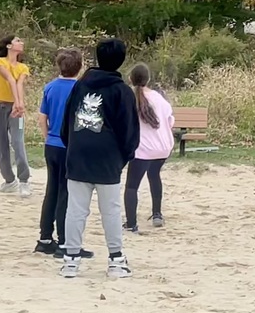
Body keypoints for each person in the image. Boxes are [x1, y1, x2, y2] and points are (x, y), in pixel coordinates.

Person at [60, 38, 140, 279]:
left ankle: (70, 261)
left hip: (78, 154)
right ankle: (116, 260)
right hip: (107, 158)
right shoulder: (121, 91)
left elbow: (66, 123)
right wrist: (124, 156)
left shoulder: (80, 86)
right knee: (111, 210)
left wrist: (72, 146)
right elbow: (129, 131)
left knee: (75, 209)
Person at [35, 49, 94, 259]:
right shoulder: (81, 89)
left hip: (51, 144)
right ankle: (64, 240)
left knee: (51, 189)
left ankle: (44, 238)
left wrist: (47, 137)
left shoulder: (50, 87)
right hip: (70, 146)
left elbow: (42, 117)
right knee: (66, 193)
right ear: (79, 67)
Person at [124, 63, 175, 232]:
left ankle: (131, 224)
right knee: (154, 176)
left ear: (130, 79)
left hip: (143, 149)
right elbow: (170, 120)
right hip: (162, 148)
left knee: (132, 186)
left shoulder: (130, 98)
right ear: (148, 79)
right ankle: (157, 214)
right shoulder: (159, 98)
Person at [0, 36, 32, 197]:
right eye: (19, 40)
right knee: (1, 144)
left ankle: (24, 180)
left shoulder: (23, 67)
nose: (22, 42)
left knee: (18, 142)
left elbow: (19, 84)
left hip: (15, 109)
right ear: (9, 45)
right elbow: (10, 79)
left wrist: (19, 104)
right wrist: (18, 103)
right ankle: (9, 180)